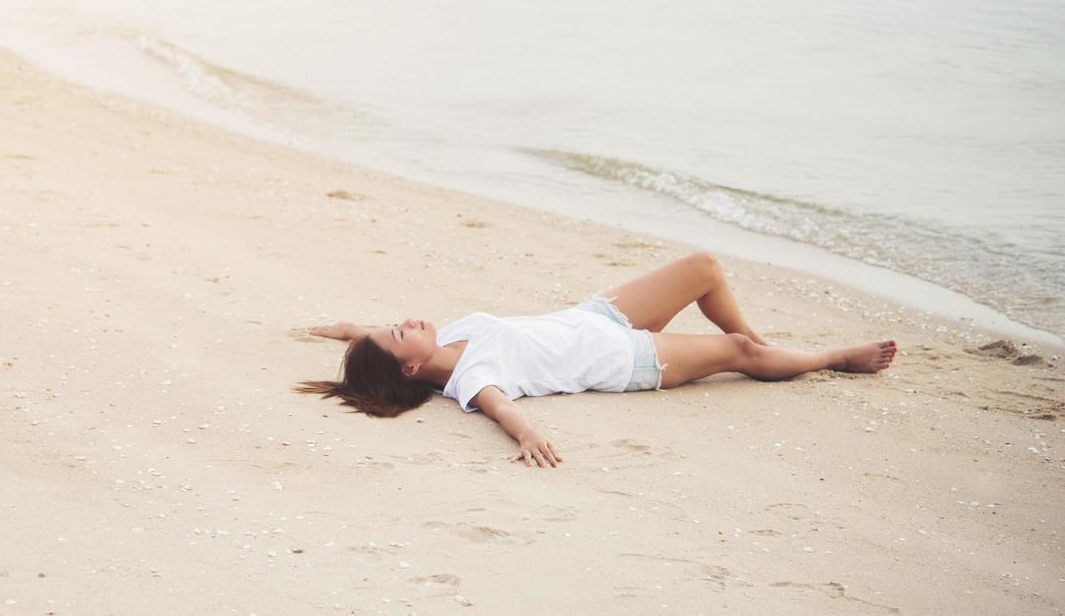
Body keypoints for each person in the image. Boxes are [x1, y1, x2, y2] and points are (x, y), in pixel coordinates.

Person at [297, 252, 897, 469]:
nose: (406, 321)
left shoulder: (450, 337)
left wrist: (351, 331)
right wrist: (529, 436)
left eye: (395, 324)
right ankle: (828, 359)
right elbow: (504, 411)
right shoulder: (469, 379)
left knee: (704, 268)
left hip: (598, 317)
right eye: (400, 333)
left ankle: (767, 351)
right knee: (736, 354)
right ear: (409, 369)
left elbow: (376, 342)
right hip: (629, 358)